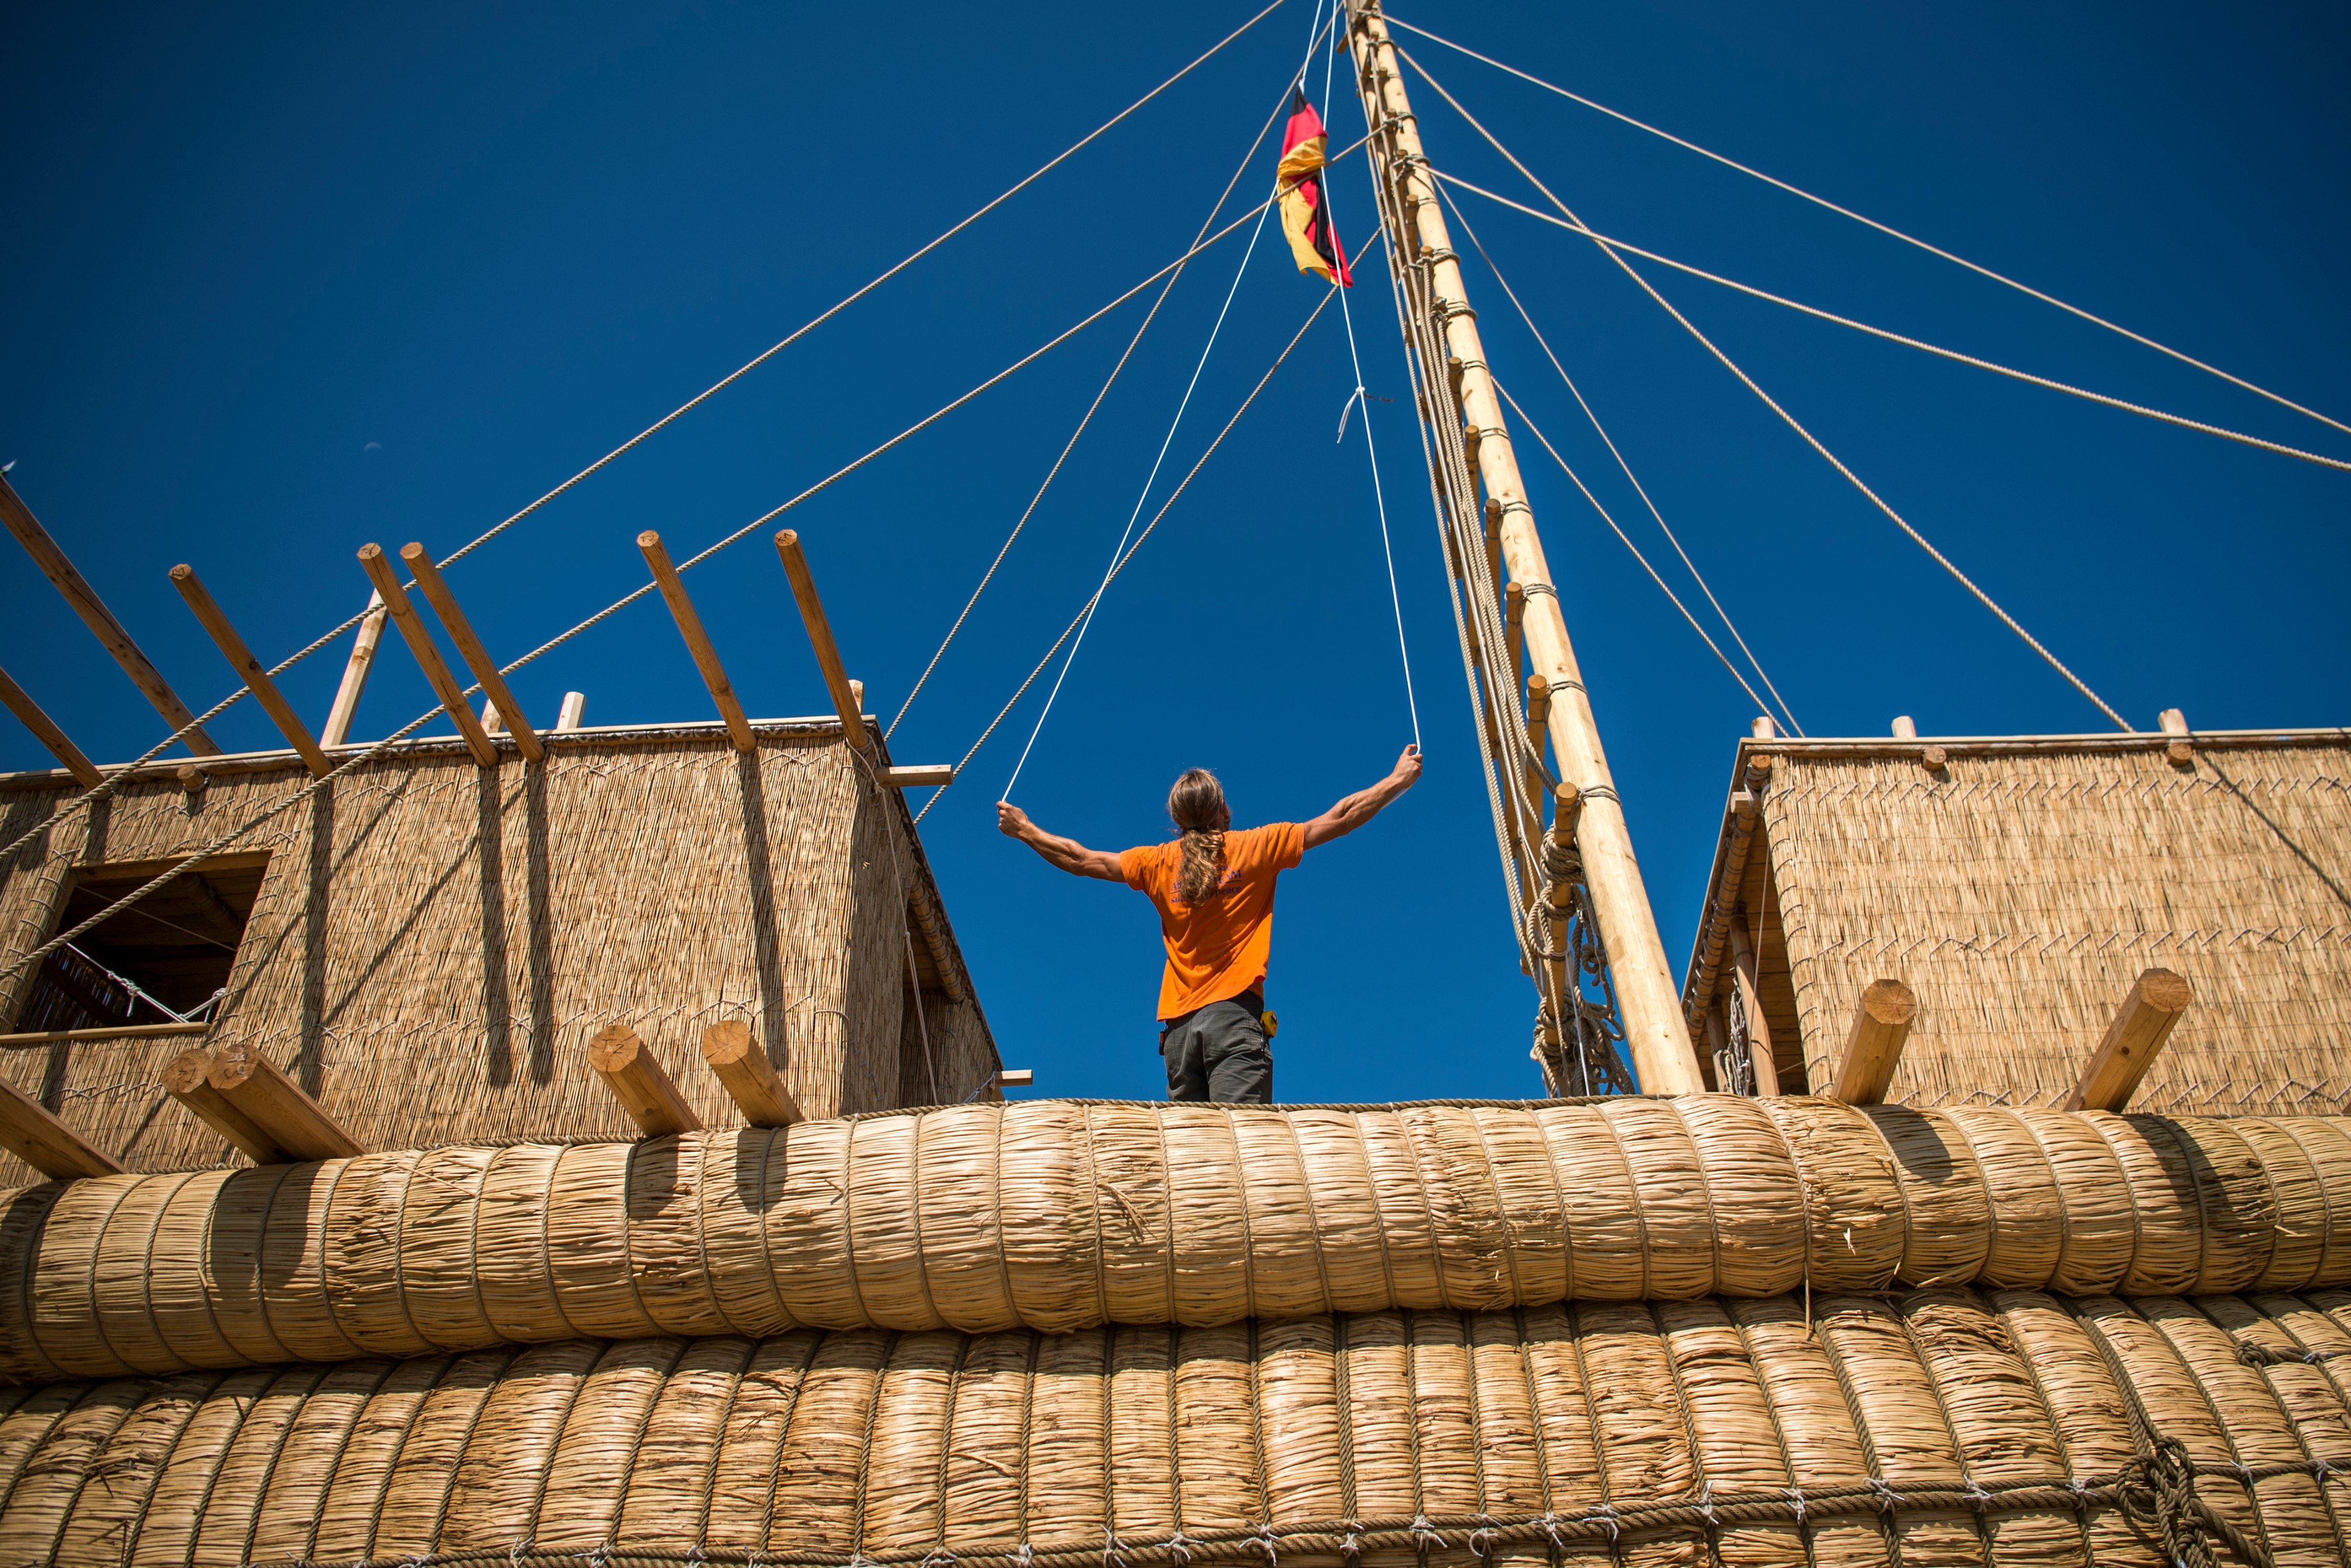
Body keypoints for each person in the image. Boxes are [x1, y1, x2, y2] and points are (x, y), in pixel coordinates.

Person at [996, 745, 1422, 1103]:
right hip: (1233, 1020)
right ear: (1223, 810)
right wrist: (1397, 781)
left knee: (1195, 1162)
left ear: (1178, 819)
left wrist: (1024, 830)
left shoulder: (1156, 862)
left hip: (1179, 1037)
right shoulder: (1255, 847)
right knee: (1240, 1152)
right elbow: (1341, 818)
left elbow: (1080, 859)